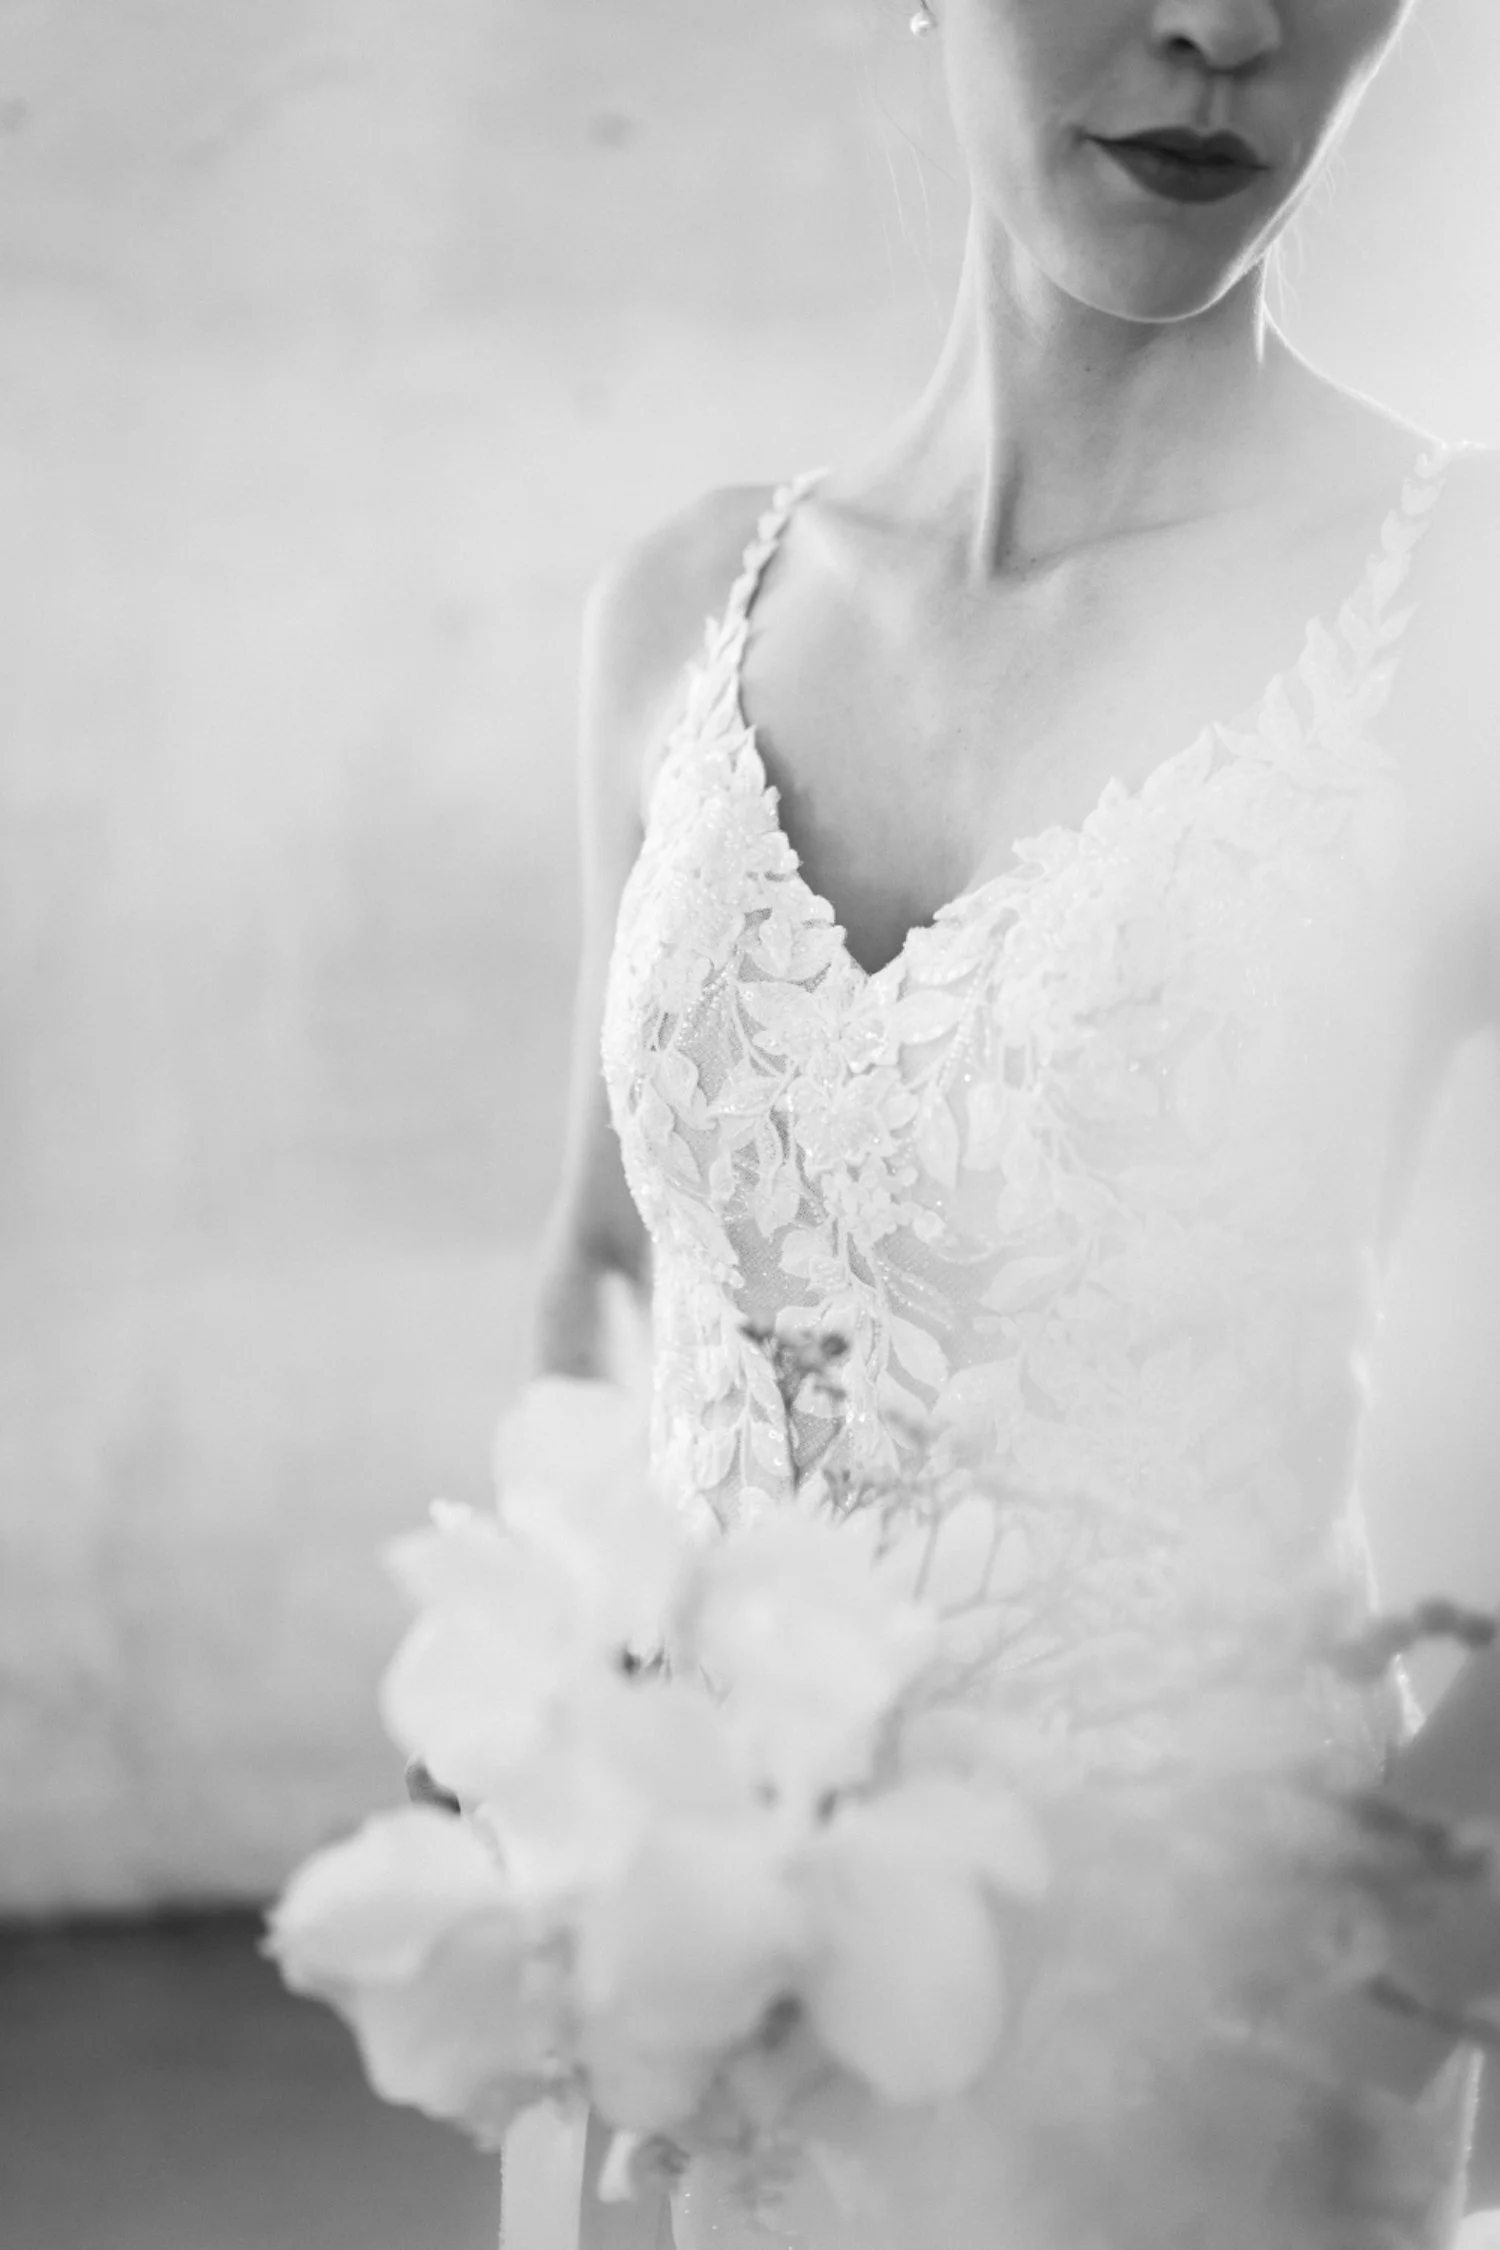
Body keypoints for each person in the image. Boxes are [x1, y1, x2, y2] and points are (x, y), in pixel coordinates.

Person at [518, 0, 1500, 2242]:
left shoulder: (1468, 610)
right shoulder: (678, 611)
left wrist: (1366, 2006)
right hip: (709, 2073)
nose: (1224, 27)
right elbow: (606, 1269)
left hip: (1204, 2098)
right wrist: (594, 1823)